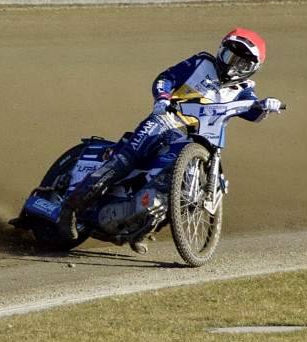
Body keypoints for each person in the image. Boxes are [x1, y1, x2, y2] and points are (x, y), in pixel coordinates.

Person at [61, 28, 282, 234]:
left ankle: (139, 226)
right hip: (166, 121)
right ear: (220, 51)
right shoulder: (201, 63)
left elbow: (253, 113)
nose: (232, 66)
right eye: (230, 57)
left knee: (178, 189)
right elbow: (166, 78)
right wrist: (163, 99)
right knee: (127, 158)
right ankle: (70, 206)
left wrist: (267, 106)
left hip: (198, 140)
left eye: (241, 63)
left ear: (252, 69)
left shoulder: (244, 91)